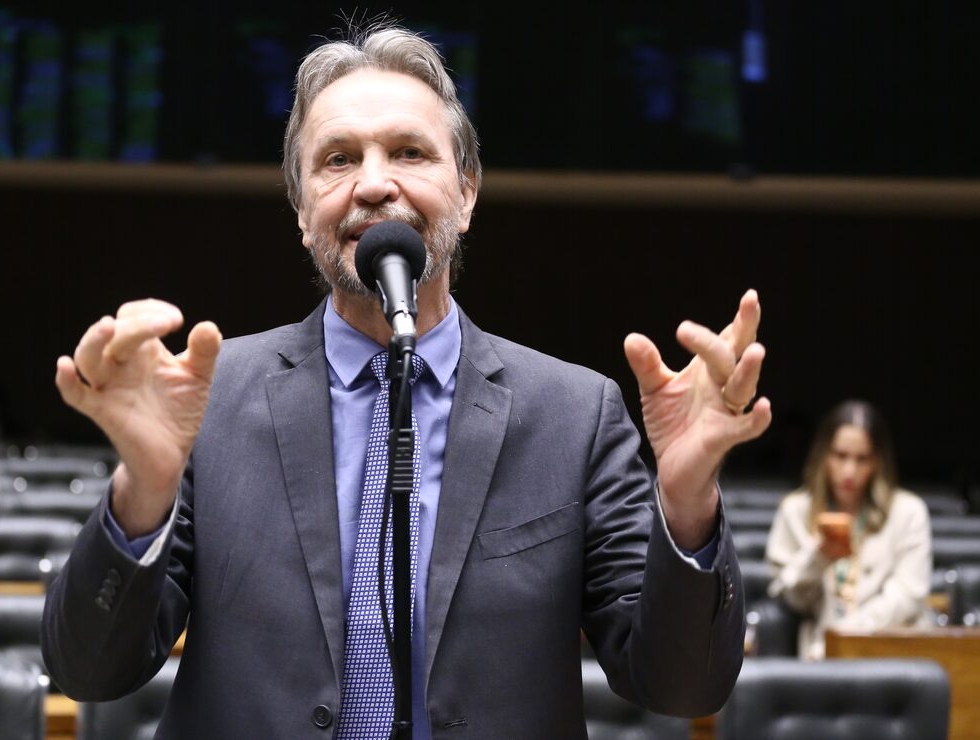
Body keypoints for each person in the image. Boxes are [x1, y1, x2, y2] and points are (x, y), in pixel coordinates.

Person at [42, 23, 771, 738]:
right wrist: (142, 491)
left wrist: (685, 502)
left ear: (468, 190)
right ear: (302, 212)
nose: (373, 184)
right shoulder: (212, 399)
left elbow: (684, 687)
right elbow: (88, 674)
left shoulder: (572, 415)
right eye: (336, 160)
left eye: (409, 152)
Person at [766, 400, 932, 660]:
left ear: (878, 462)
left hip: (892, 650)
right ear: (823, 455)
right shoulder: (795, 510)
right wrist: (818, 555)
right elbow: (789, 597)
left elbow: (907, 595)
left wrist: (847, 635)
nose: (849, 471)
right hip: (821, 655)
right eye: (840, 456)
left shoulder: (909, 511)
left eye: (862, 459)